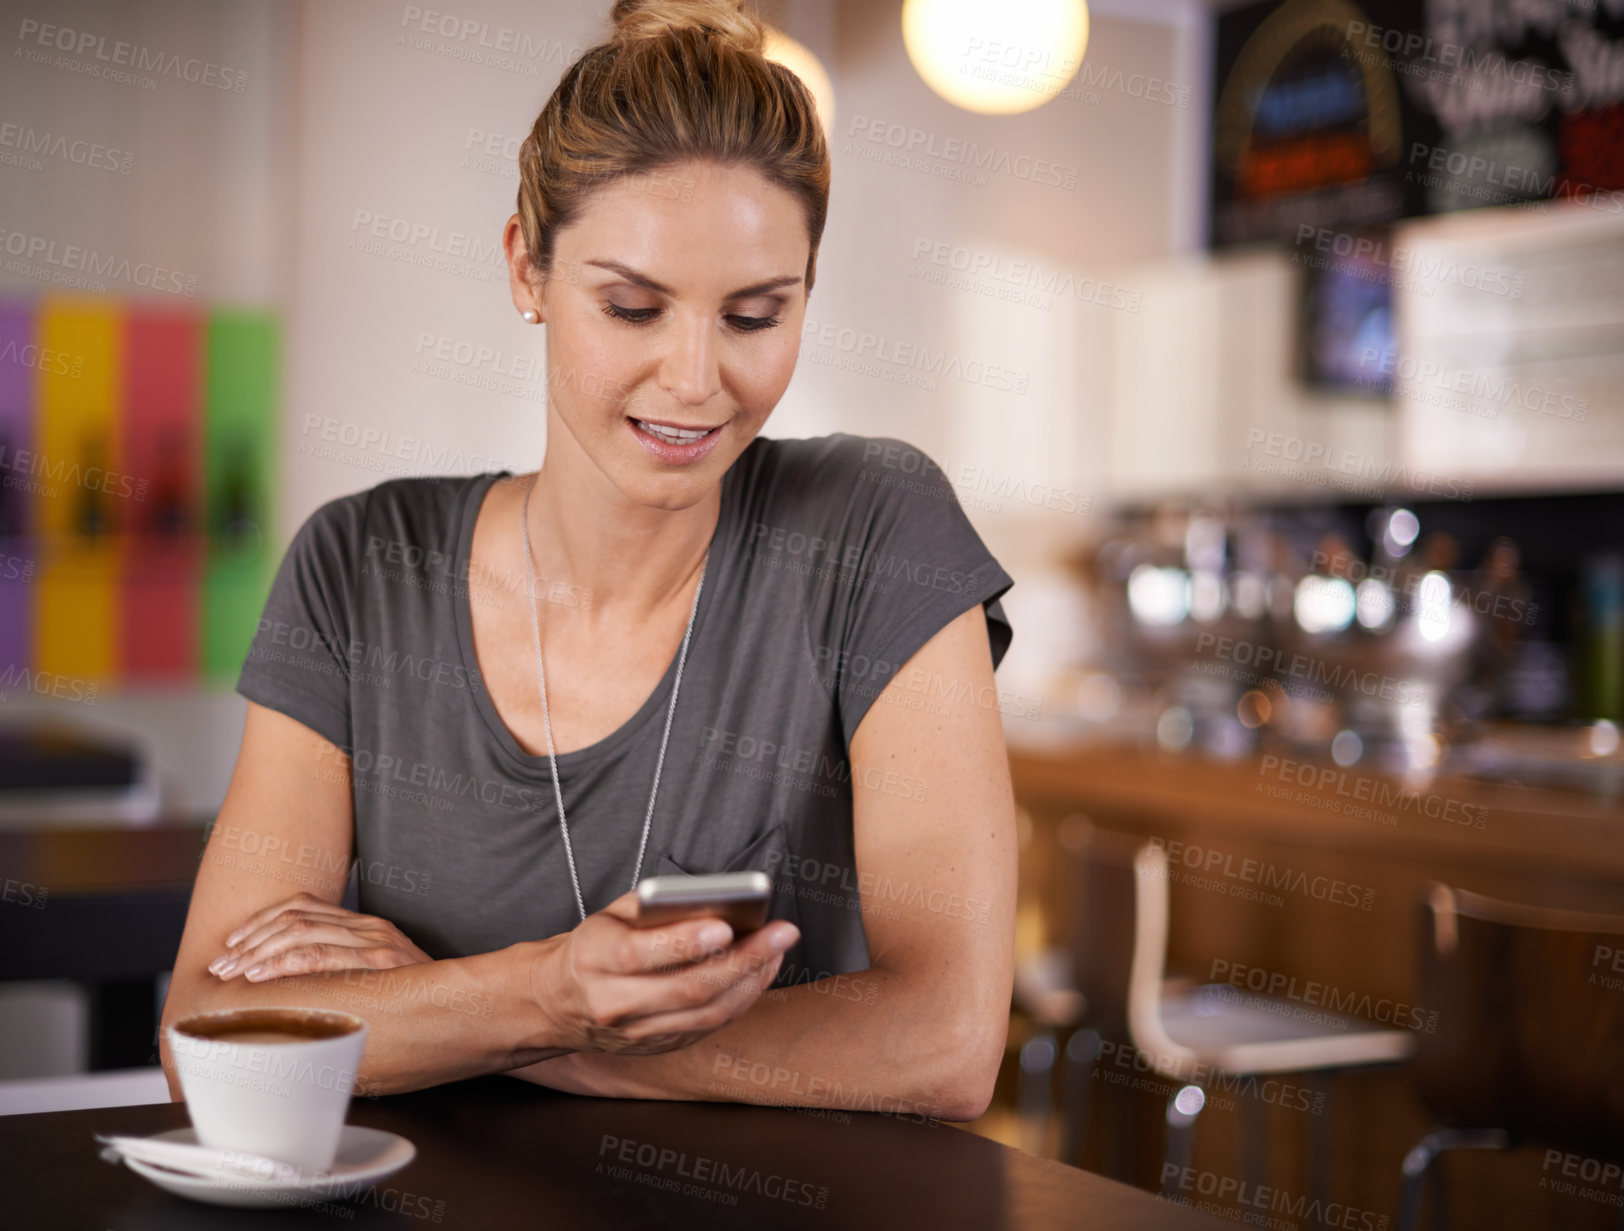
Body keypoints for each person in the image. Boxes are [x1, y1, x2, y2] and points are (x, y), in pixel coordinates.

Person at [158, 0, 1018, 1122]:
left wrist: (437, 1009)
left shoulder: (874, 531)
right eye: (632, 306)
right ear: (528, 268)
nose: (695, 379)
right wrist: (548, 989)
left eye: (756, 315)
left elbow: (943, 1043)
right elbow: (209, 1036)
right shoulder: (362, 567)